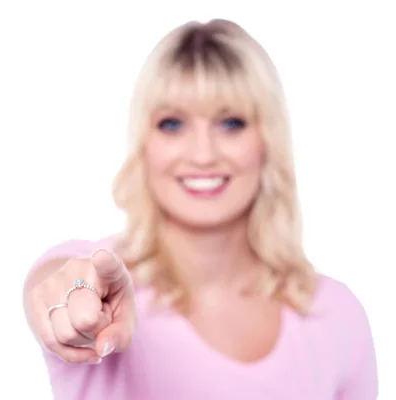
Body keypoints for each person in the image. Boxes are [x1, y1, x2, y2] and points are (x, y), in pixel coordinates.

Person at [22, 19, 378, 399]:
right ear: (144, 144)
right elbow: (59, 282)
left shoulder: (336, 316)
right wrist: (74, 299)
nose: (202, 154)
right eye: (172, 124)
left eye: (231, 123)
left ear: (267, 142)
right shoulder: (103, 280)